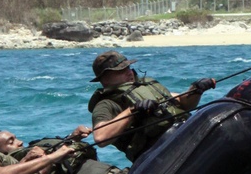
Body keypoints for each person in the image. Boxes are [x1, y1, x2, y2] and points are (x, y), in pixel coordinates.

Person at [85, 51, 216, 161]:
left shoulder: (145, 86)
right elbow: (100, 137)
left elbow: (183, 102)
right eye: (121, 70)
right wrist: (132, 111)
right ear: (105, 79)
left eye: (128, 68)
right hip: (158, 156)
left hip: (185, 135)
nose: (129, 72)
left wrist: (196, 90)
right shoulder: (106, 103)